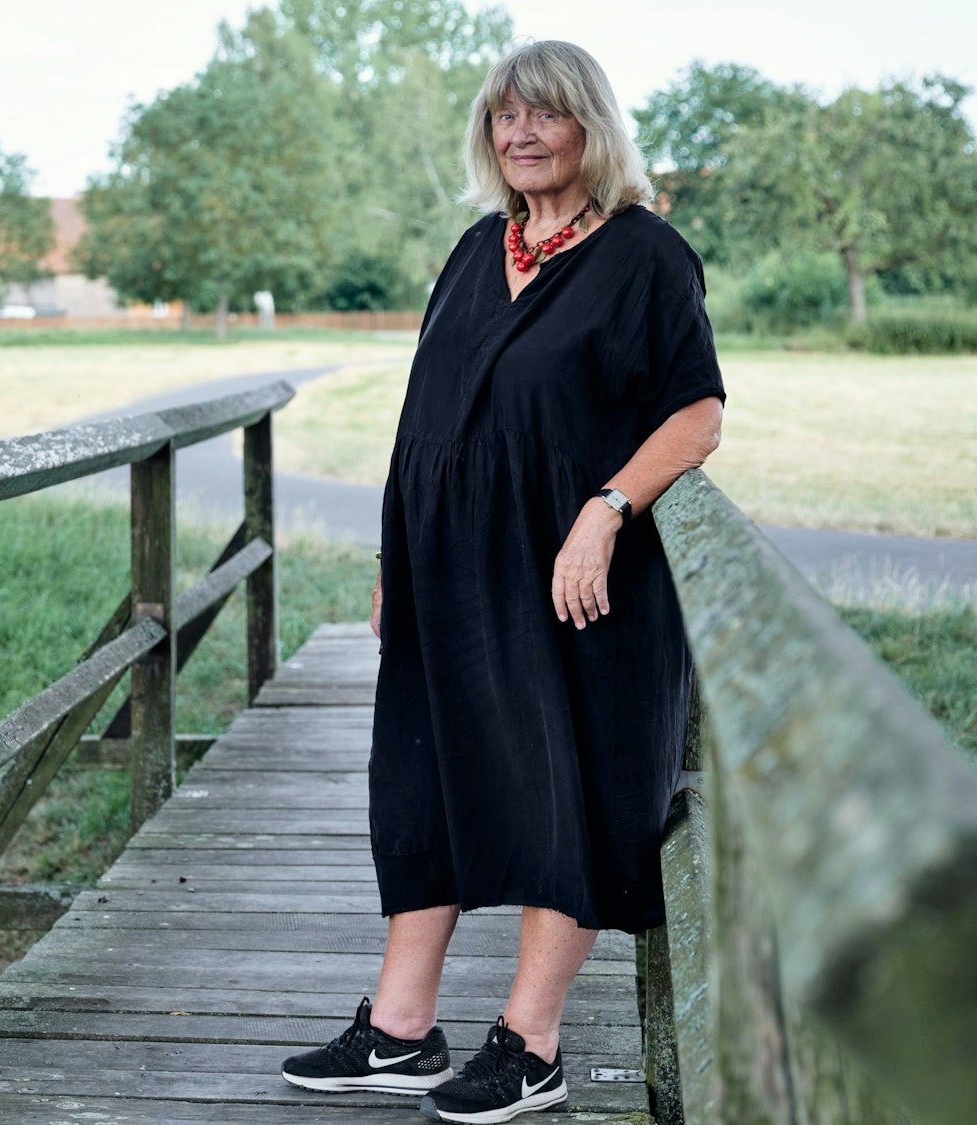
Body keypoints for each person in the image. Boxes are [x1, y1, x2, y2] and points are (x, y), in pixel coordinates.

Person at [279, 39, 726, 1124]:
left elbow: (697, 413)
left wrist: (606, 509)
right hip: (449, 577)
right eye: (502, 119)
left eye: (545, 117)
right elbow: (422, 417)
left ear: (590, 129)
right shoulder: (480, 248)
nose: (520, 135)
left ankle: (531, 1045)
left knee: (558, 796)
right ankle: (399, 1030)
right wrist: (395, 558)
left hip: (575, 585)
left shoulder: (643, 256)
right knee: (421, 786)